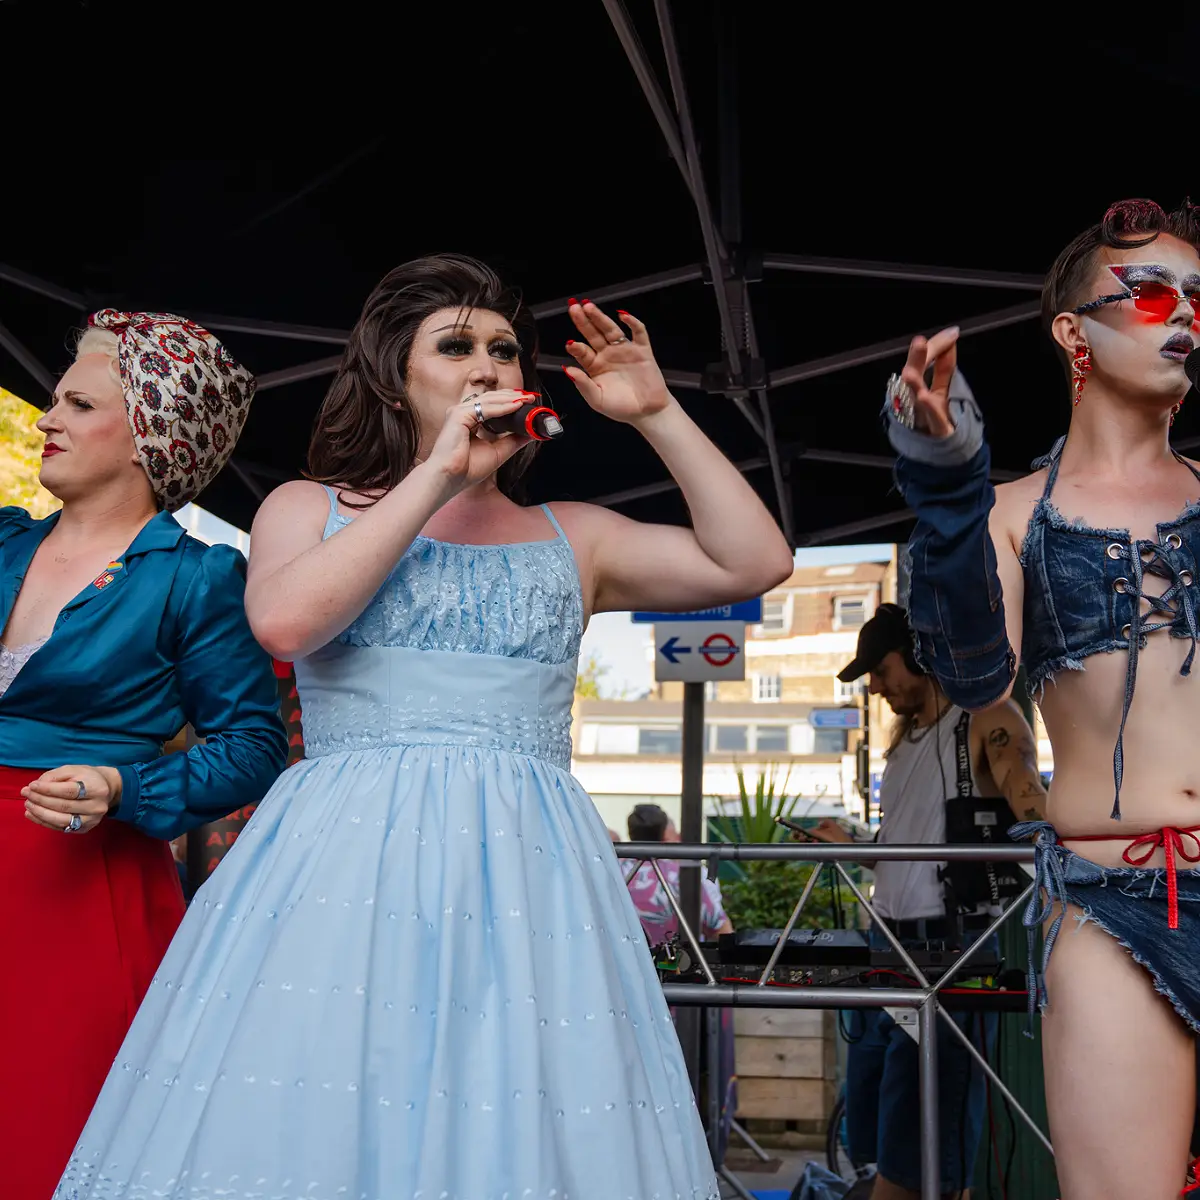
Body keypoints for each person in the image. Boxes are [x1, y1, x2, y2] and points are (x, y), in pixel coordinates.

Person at [55, 254, 795, 1199]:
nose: (489, 365)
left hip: (533, 876)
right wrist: (436, 476)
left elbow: (759, 559)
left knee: (519, 1104)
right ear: (394, 380)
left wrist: (656, 411)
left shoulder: (578, 534)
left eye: (503, 350)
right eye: (455, 347)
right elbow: (285, 623)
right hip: (339, 872)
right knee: (328, 1096)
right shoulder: (305, 506)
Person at [881, 199, 1200, 1199]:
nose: (1183, 314)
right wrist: (945, 491)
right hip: (1114, 903)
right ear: (1075, 332)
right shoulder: (1016, 514)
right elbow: (976, 676)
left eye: (1199, 296)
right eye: (1151, 293)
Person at [0, 310, 287, 1198]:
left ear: (147, 437)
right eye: (56, 401)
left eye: (76, 404)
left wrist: (127, 784)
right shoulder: (3, 540)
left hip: (77, 887)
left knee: (53, 1134)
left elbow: (253, 748)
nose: (46, 420)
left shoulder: (194, 576)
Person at [806, 602, 1044, 1200]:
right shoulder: (905, 743)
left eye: (882, 671)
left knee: (932, 1124)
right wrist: (849, 846)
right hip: (889, 941)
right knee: (883, 1111)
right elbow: (905, 853)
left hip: (951, 947)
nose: (878, 687)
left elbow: (1032, 806)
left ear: (916, 654)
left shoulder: (985, 718)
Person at [624, 802, 733, 944]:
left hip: (616, 963)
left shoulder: (609, 872)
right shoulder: (682, 875)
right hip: (674, 962)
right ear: (663, 833)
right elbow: (721, 930)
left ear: (630, 832)